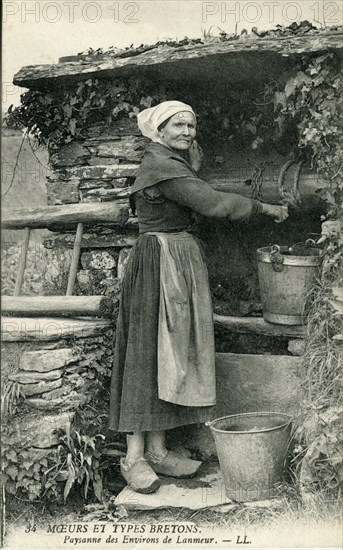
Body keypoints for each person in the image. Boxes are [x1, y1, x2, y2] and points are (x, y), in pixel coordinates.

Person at [108, 100, 289, 494]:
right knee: (146, 353)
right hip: (159, 264)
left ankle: (158, 452)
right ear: (159, 130)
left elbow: (202, 190)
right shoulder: (161, 166)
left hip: (177, 260)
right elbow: (212, 203)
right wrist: (263, 207)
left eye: (192, 126)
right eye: (179, 126)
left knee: (170, 354)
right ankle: (134, 457)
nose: (188, 133)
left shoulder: (175, 162)